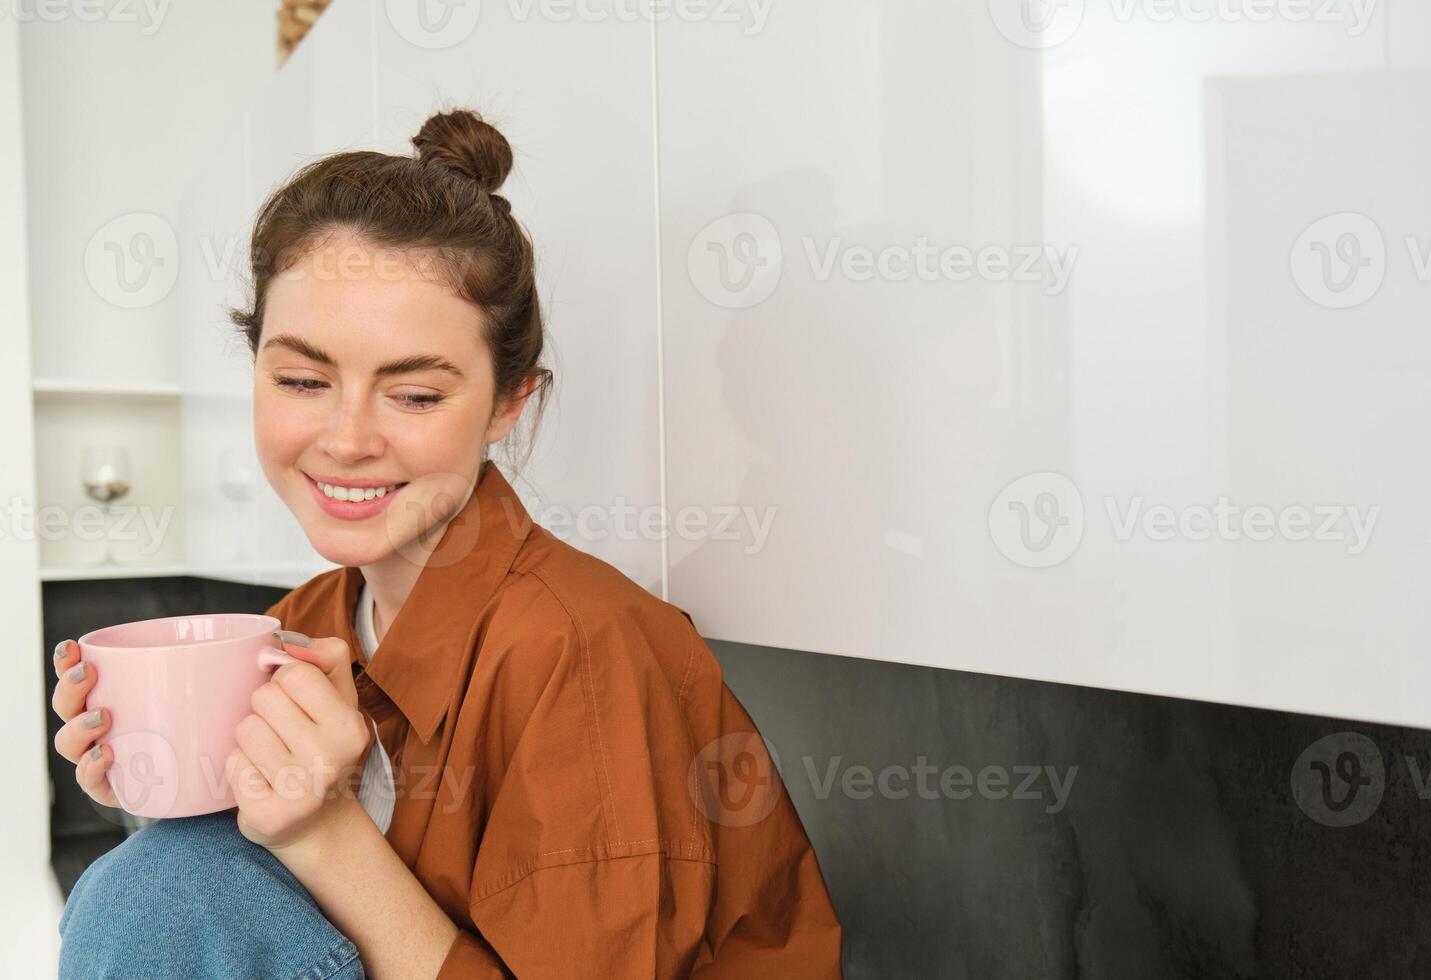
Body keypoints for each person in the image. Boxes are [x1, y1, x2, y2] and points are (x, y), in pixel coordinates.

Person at [52, 107, 842, 979]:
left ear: (509, 402)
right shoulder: (304, 623)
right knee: (159, 870)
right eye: (302, 380)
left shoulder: (583, 654)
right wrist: (159, 784)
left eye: (416, 396)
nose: (346, 439)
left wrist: (324, 833)